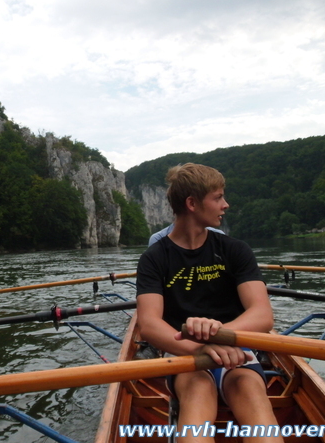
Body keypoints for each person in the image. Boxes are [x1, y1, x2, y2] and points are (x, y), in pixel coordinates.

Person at [136, 163, 282, 443]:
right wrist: (203, 347)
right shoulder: (154, 258)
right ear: (192, 203)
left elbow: (262, 315)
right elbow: (150, 325)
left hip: (236, 352)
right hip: (186, 355)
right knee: (198, 390)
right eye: (218, 197)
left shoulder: (235, 250)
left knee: (251, 392)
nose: (225, 205)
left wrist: (221, 338)